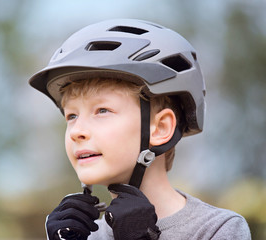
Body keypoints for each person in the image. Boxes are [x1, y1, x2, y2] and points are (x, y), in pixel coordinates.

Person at [28, 19, 251, 240]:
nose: (77, 131)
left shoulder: (217, 229)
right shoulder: (81, 235)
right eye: (72, 116)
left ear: (161, 128)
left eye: (102, 111)